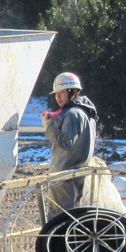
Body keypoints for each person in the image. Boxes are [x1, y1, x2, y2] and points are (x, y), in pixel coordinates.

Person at [42, 71, 97, 212]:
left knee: (60, 221)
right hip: (77, 175)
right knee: (74, 217)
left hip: (64, 177)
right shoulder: (86, 112)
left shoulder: (72, 114)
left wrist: (50, 128)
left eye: (61, 93)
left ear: (72, 92)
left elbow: (67, 142)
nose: (58, 97)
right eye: (56, 93)